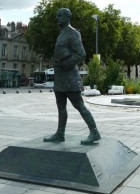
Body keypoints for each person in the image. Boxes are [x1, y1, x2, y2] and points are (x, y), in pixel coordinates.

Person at [43, 8, 101, 145]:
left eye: (59, 16)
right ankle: (60, 133)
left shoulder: (73, 33)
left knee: (79, 105)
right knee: (60, 106)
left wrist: (66, 64)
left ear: (66, 17)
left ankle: (94, 132)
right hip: (60, 75)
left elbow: (81, 54)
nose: (57, 18)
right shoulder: (62, 33)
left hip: (69, 76)